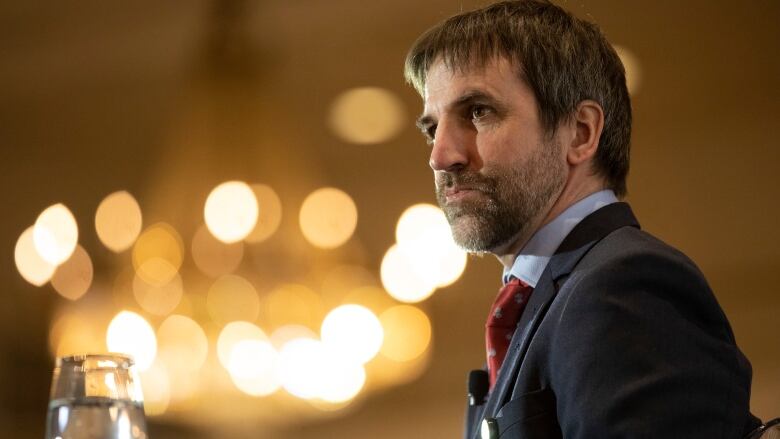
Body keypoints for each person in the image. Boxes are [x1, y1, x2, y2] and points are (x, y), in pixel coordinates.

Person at [403, 1, 761, 438]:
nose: (440, 156)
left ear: (581, 132)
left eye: (478, 112)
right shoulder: (553, 303)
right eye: (431, 129)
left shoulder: (623, 287)